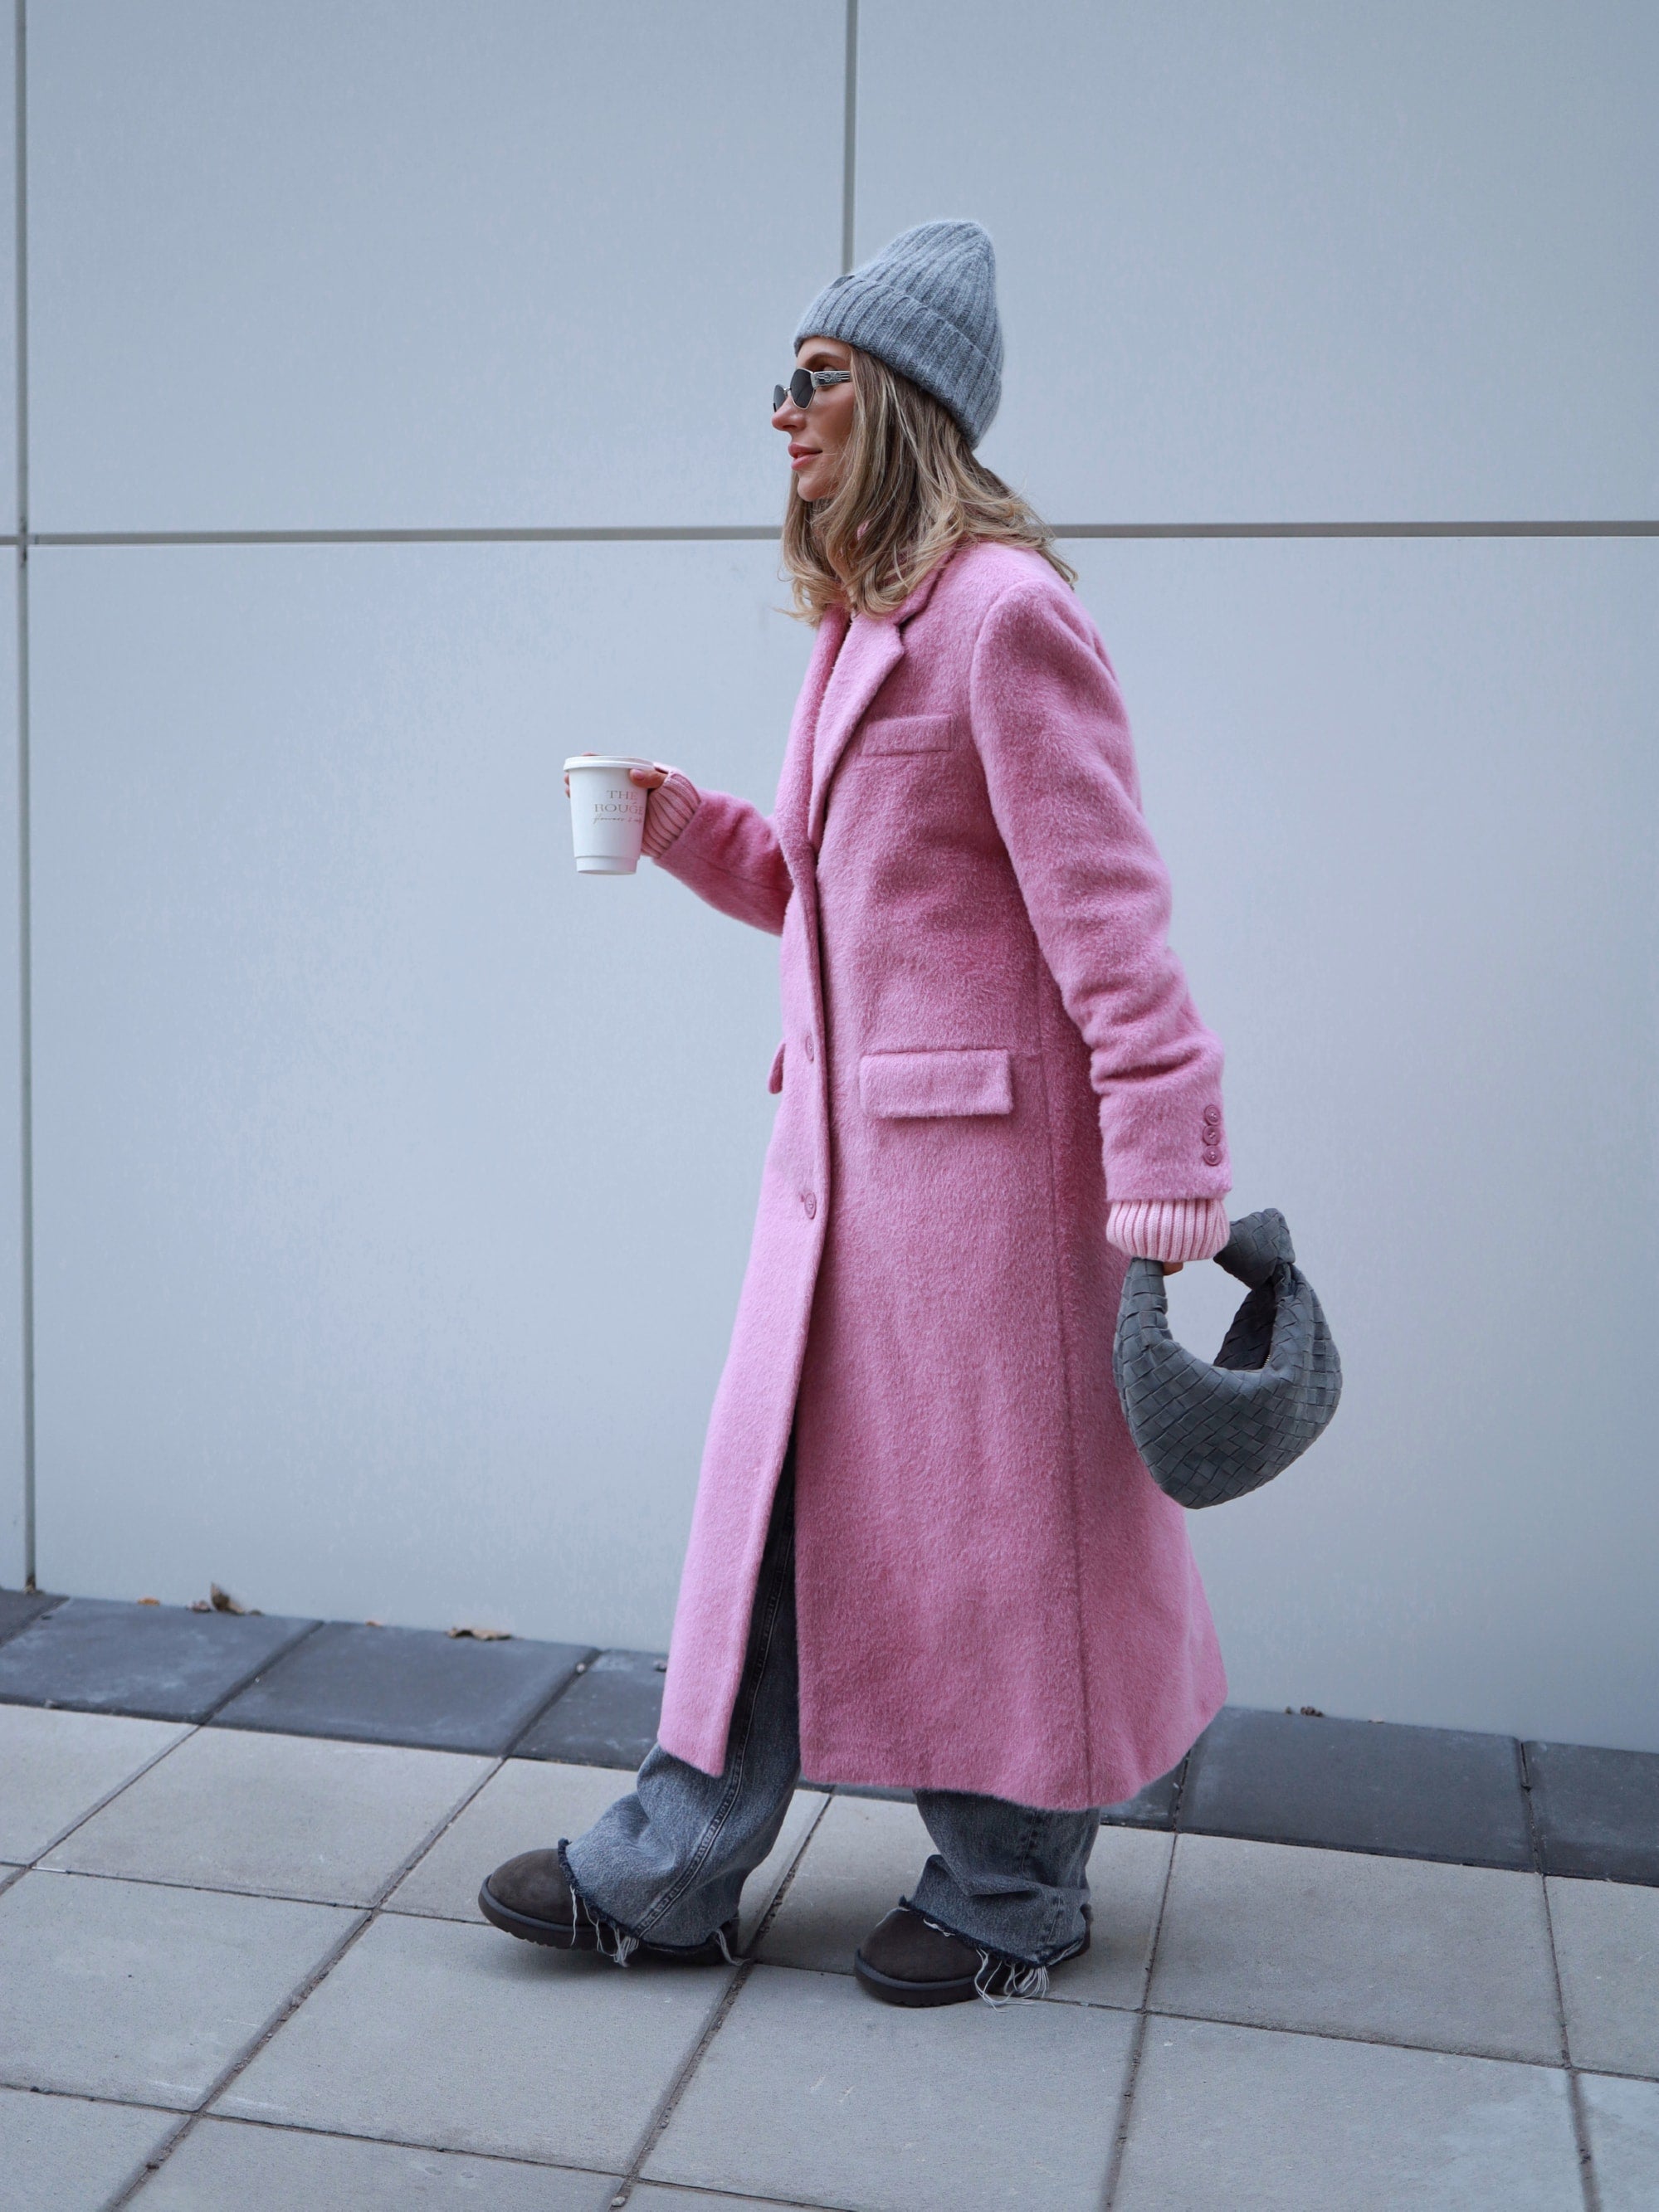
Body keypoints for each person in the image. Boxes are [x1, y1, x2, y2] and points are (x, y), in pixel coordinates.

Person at [481, 221, 1232, 2005]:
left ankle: (1007, 1889)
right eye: (778, 382)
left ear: (898, 398)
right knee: (780, 1521)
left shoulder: (1004, 618)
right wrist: (684, 829)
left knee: (1002, 1538)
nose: (780, 416)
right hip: (845, 1183)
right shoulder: (863, 628)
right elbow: (838, 895)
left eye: (810, 382)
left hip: (989, 1186)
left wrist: (1169, 1157)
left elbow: (1108, 918)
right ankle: (671, 1867)